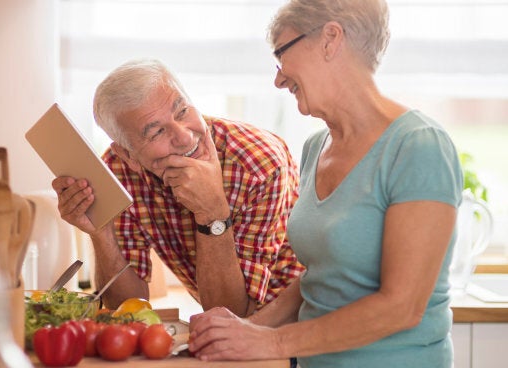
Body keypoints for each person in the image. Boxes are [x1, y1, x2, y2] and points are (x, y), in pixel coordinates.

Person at [187, 1, 463, 367]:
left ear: (330, 39)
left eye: (281, 54)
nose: (278, 78)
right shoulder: (316, 147)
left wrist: (272, 343)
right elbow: (320, 279)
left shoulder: (418, 145)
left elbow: (403, 307)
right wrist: (245, 330)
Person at [52, 58, 303, 317]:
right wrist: (101, 233)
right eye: (157, 132)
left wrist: (213, 212)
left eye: (182, 111)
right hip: (226, 330)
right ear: (128, 155)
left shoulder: (258, 164)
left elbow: (233, 314)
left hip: (297, 322)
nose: (184, 137)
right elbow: (127, 308)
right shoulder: (118, 171)